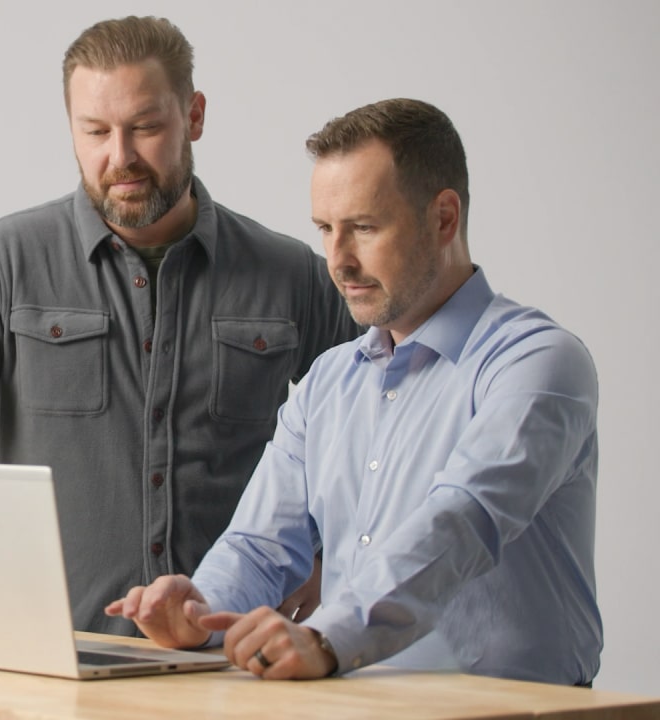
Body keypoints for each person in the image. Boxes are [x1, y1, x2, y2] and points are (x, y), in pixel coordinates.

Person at [0, 16, 357, 635]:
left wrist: (327, 553)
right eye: (96, 131)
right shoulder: (4, 263)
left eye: (147, 128)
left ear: (195, 116)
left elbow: (373, 431)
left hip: (230, 660)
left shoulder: (290, 274)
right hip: (53, 662)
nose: (120, 156)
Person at [106, 98, 602, 686]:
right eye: (325, 229)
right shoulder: (328, 382)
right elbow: (260, 546)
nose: (337, 260)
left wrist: (325, 637)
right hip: (354, 703)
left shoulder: (537, 362)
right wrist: (200, 612)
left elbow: (461, 524)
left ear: (444, 217)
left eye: (364, 227)